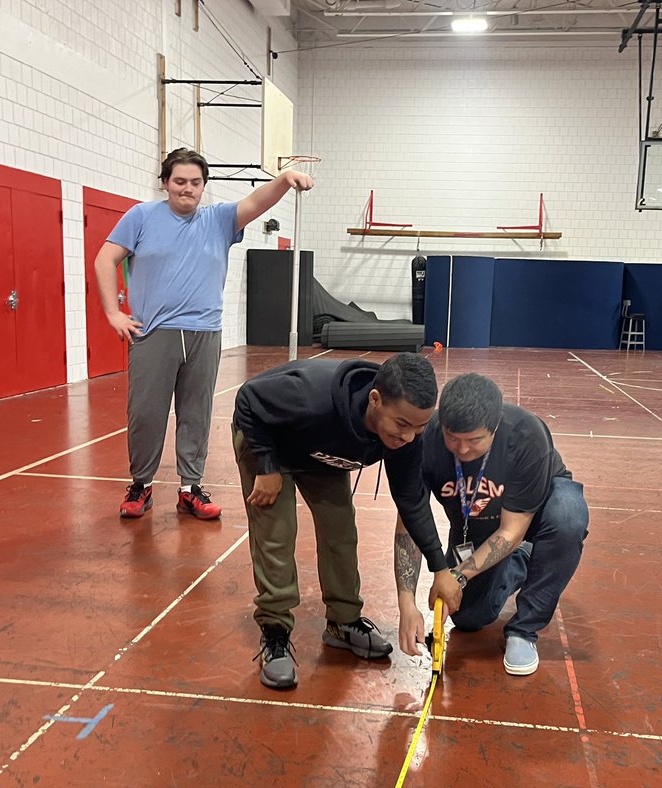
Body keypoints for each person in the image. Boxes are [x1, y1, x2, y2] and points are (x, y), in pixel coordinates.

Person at [93, 147, 313, 521]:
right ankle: (140, 484)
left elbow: (256, 201)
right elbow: (104, 258)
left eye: (195, 183)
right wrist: (113, 313)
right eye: (179, 181)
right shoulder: (141, 217)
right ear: (165, 183)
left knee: (196, 413)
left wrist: (284, 180)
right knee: (146, 413)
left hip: (204, 333)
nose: (187, 189)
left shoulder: (219, 219)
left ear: (203, 186)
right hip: (154, 332)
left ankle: (189, 488)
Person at [233, 353, 464, 690]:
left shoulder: (406, 437)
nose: (411, 437)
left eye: (421, 427)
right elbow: (248, 399)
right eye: (402, 424)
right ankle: (275, 632)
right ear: (375, 400)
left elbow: (412, 501)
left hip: (320, 455)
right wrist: (266, 468)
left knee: (340, 531)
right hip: (269, 440)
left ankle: (343, 622)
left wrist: (439, 568)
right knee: (277, 534)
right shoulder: (313, 397)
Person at [393, 372, 589, 676]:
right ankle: (520, 560)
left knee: (568, 518)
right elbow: (408, 523)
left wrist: (456, 575)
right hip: (473, 523)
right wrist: (406, 604)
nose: (462, 450)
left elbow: (512, 529)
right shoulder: (422, 439)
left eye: (474, 441)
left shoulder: (526, 435)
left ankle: (524, 630)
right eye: (453, 438)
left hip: (531, 513)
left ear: (494, 429)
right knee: (469, 618)